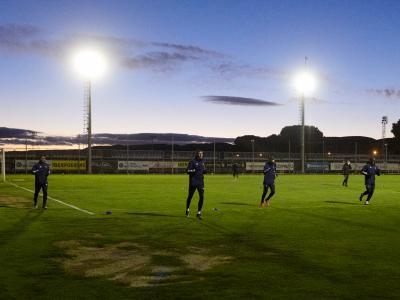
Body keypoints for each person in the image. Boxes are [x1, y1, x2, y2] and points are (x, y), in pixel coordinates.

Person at [185, 150, 207, 219]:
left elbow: (203, 170)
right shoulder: (192, 161)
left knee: (202, 196)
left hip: (201, 182)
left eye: (202, 154)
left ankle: (199, 213)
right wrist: (194, 171)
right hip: (193, 182)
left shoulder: (203, 161)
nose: (200, 155)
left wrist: (205, 171)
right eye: (199, 154)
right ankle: (187, 209)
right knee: (190, 197)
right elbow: (187, 171)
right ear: (196, 154)